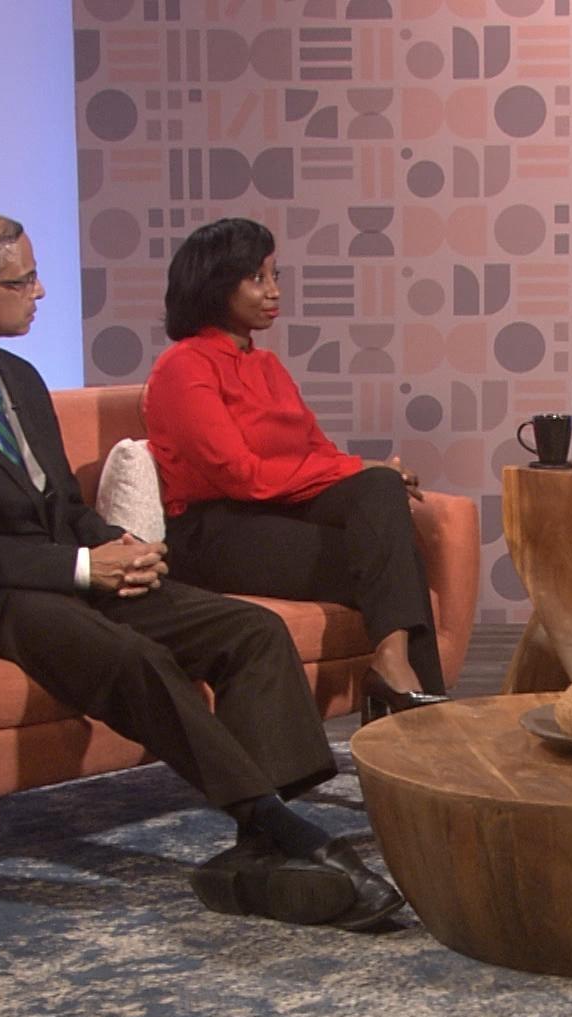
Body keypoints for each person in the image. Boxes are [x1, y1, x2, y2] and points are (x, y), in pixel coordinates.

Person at [0, 208, 402, 931]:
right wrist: (80, 567)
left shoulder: (17, 377)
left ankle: (261, 843)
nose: (40, 292)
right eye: (27, 279)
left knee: (251, 630)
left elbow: (56, 505)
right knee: (127, 653)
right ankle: (290, 837)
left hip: (53, 568)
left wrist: (117, 543)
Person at [141, 217, 447, 722]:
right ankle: (426, 730)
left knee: (377, 490)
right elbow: (239, 475)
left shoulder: (267, 367)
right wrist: (354, 468)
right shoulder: (184, 367)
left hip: (279, 516)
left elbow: (316, 450)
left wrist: (369, 471)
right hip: (213, 532)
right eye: (257, 279)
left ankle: (395, 671)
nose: (274, 291)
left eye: (274, 276)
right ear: (216, 285)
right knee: (396, 563)